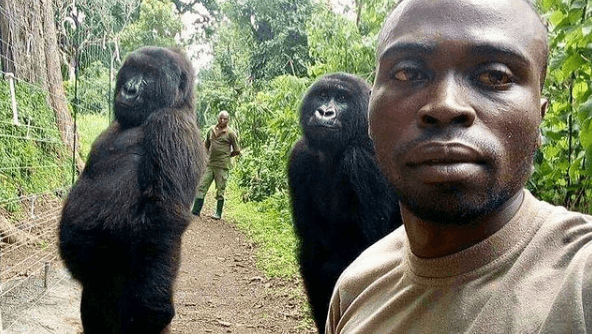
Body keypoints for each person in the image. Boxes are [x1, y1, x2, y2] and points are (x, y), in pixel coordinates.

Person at [326, 0, 592, 333]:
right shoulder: (356, 289)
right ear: (369, 116)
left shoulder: (581, 279)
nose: (444, 105)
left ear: (539, 119)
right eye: (408, 72)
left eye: (495, 75)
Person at [192, 110, 240, 219]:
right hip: (210, 165)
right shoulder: (211, 130)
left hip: (222, 166)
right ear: (218, 118)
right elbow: (205, 146)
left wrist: (227, 156)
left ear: (228, 120)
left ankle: (218, 213)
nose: (222, 120)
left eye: (225, 119)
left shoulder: (230, 133)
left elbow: (237, 150)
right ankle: (195, 211)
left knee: (220, 190)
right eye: (221, 118)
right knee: (201, 186)